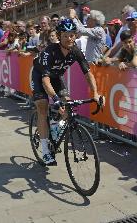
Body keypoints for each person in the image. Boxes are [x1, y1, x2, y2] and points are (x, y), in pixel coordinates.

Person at [31, 19, 104, 166]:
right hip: (40, 77)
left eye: (72, 35)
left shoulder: (76, 50)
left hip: (56, 77)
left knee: (68, 106)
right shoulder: (50, 51)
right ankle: (45, 151)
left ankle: (54, 124)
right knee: (43, 107)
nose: (69, 38)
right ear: (59, 36)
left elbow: (88, 74)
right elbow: (45, 81)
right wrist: (55, 98)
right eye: (65, 35)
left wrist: (95, 93)